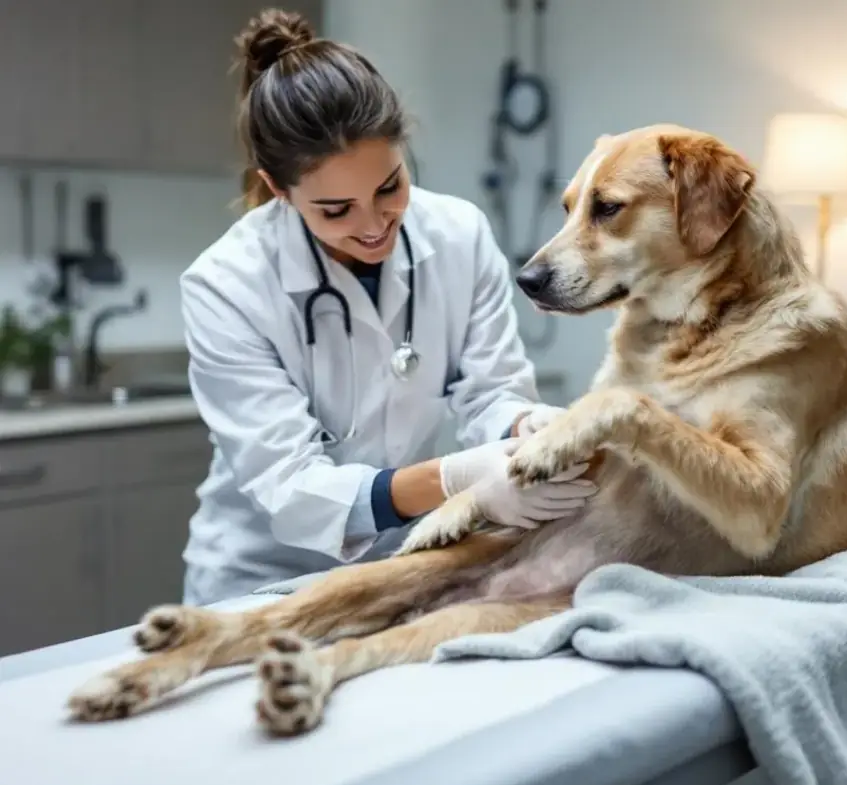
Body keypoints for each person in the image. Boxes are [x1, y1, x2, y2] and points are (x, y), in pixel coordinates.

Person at [177, 9, 596, 606]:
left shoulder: (458, 233)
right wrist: (456, 480)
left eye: (388, 187)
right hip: (259, 578)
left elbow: (491, 389)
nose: (374, 226)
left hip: (400, 561)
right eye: (335, 209)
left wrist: (528, 429)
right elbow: (291, 488)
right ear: (278, 189)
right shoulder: (227, 285)